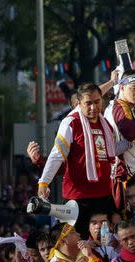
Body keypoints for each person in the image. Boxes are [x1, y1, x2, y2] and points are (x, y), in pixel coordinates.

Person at [37, 83, 118, 236]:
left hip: (103, 195)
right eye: (88, 103)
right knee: (76, 243)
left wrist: (130, 142)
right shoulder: (70, 123)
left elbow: (112, 152)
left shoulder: (106, 125)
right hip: (77, 198)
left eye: (97, 102)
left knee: (104, 242)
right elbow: (57, 154)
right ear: (79, 103)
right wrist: (44, 182)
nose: (93, 107)